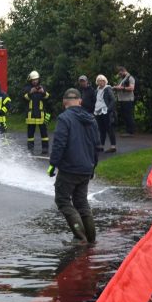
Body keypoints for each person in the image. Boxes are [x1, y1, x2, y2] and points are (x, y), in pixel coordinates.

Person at [47, 88, 99, 244]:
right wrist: (92, 167)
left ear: (64, 103)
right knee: (81, 202)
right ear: (80, 102)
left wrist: (53, 164)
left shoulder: (64, 119)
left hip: (70, 169)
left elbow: (59, 144)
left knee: (62, 200)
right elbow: (96, 146)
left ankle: (79, 237)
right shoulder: (91, 119)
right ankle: (91, 239)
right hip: (86, 168)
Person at [23, 71, 51, 154]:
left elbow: (48, 98)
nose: (35, 81)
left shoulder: (43, 87)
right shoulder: (27, 88)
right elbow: (24, 98)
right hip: (31, 115)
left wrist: (43, 92)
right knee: (30, 134)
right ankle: (30, 149)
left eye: (36, 79)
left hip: (41, 115)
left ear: (39, 79)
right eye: (33, 80)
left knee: (44, 133)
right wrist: (30, 92)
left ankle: (45, 148)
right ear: (30, 80)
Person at [94, 74, 117, 153]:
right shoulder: (97, 90)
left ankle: (113, 146)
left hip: (105, 111)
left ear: (105, 81)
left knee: (109, 128)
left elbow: (113, 100)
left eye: (102, 80)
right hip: (98, 112)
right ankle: (101, 146)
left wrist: (108, 110)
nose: (101, 82)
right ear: (97, 82)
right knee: (101, 129)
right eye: (99, 80)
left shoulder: (108, 89)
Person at [113, 65, 136, 137]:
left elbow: (132, 88)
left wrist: (121, 88)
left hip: (128, 100)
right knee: (124, 115)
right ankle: (127, 130)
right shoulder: (122, 79)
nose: (119, 75)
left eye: (120, 73)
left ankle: (131, 131)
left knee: (128, 115)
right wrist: (116, 88)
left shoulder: (130, 78)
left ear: (123, 71)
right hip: (122, 99)